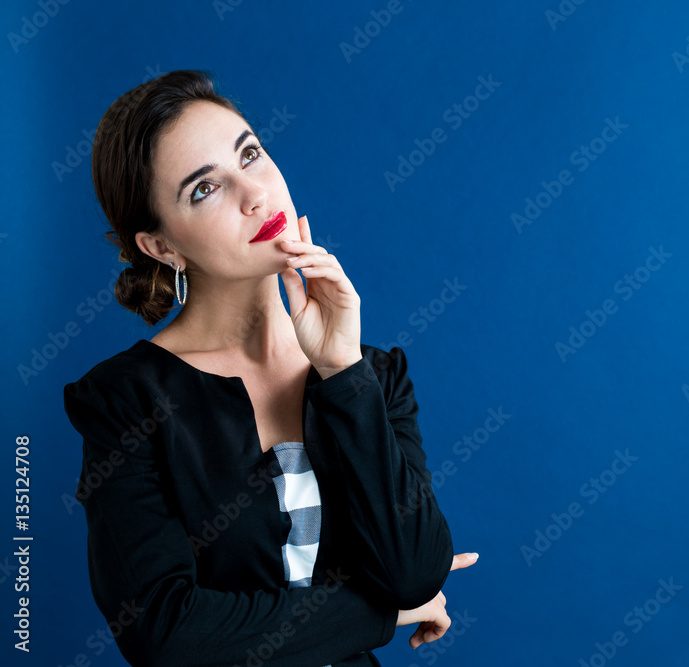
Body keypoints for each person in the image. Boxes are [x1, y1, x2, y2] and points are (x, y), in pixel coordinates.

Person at [62, 69, 476, 667]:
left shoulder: (371, 375)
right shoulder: (125, 401)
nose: (254, 194)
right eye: (205, 189)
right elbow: (166, 636)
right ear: (161, 247)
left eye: (250, 154)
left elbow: (412, 572)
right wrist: (378, 611)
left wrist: (340, 370)